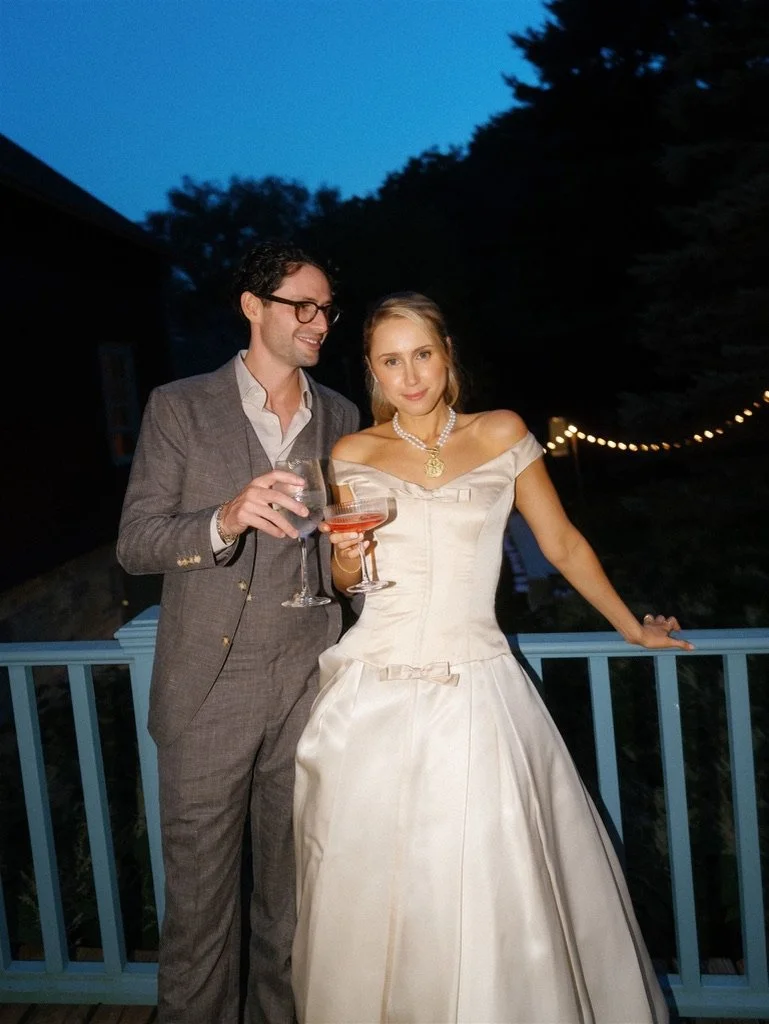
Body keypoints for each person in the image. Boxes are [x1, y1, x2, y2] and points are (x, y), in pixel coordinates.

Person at [291, 291, 694, 1024]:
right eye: (390, 361)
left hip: (478, 688)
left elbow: (561, 543)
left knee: (489, 880)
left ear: (447, 356)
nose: (409, 375)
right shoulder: (352, 453)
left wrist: (630, 627)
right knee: (379, 890)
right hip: (371, 694)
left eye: (422, 354)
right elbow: (347, 581)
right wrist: (346, 556)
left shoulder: (502, 432)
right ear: (373, 373)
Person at [116, 241, 360, 1024]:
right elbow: (137, 542)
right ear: (253, 307)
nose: (320, 323)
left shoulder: (343, 417)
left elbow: (338, 545)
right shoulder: (179, 406)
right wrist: (223, 517)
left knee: (290, 911)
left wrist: (353, 555)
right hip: (209, 693)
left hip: (308, 685)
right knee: (199, 917)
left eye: (326, 308)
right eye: (303, 306)